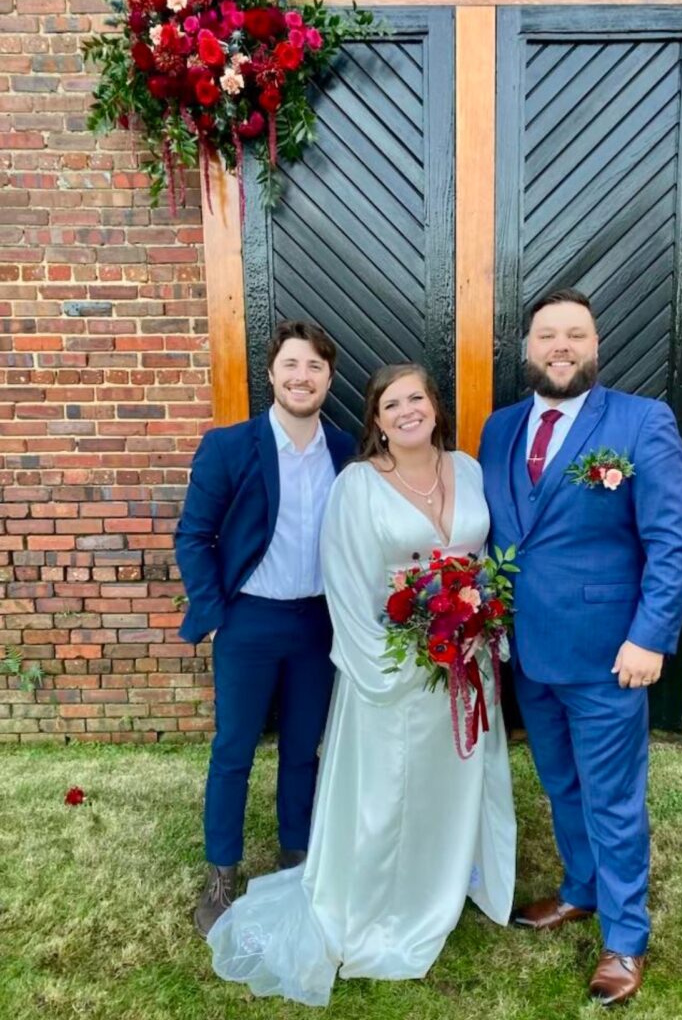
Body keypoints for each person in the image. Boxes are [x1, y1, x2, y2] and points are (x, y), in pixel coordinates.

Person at [207, 363, 516, 1005]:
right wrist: (386, 664)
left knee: (448, 783)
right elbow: (346, 587)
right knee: (388, 791)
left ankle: (443, 879)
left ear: (435, 406)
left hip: (464, 665)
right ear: (375, 421)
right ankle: (382, 902)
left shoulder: (471, 470)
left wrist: (483, 629)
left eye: (417, 399)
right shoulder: (356, 485)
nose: (407, 412)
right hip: (392, 671)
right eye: (391, 404)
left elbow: (482, 563)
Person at [479, 289, 682, 1006]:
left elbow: (673, 539)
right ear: (529, 349)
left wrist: (649, 636)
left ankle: (626, 936)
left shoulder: (640, 422)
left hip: (610, 654)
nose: (562, 345)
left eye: (576, 333)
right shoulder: (499, 429)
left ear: (595, 345)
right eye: (548, 335)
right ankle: (579, 889)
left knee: (613, 797)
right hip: (529, 652)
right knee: (560, 782)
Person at [175, 320, 355, 938]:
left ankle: (295, 862)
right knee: (233, 752)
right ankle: (221, 874)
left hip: (315, 625)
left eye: (315, 367)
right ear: (272, 373)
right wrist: (216, 609)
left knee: (304, 752)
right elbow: (194, 535)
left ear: (329, 380)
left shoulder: (346, 451)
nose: (302, 377)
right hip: (250, 620)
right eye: (292, 365)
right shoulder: (230, 447)